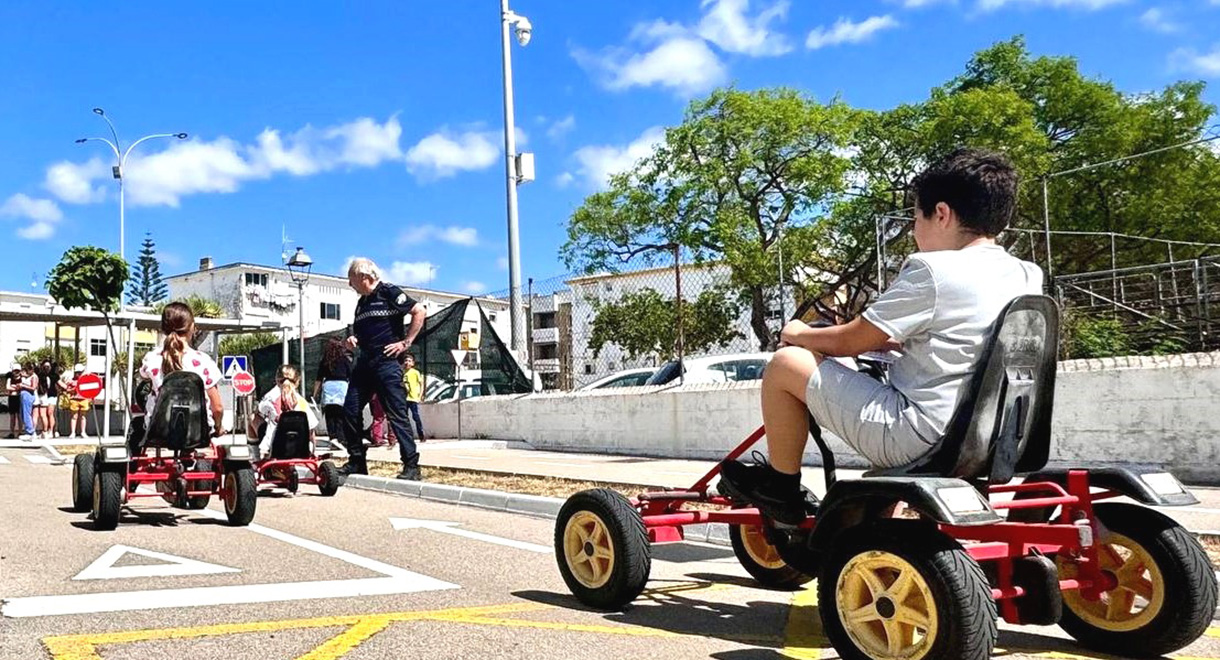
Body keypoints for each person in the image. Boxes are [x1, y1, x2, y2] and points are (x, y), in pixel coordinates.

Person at [718, 148, 1044, 525]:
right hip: (997, 436)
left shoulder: (933, 270)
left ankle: (781, 487)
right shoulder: (1025, 274)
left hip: (923, 436)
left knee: (785, 364)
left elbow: (848, 342)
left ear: (941, 214)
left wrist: (800, 332)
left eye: (915, 218)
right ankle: (878, 512)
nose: (914, 230)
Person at [339, 258, 427, 480]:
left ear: (365, 277)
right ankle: (357, 461)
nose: (351, 285)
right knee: (349, 409)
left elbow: (419, 311)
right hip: (365, 363)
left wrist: (405, 343)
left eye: (352, 280)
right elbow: (360, 333)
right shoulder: (362, 303)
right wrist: (351, 340)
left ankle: (411, 466)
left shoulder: (388, 292)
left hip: (387, 364)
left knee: (397, 413)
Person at [139, 302, 225, 438]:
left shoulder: (151, 359)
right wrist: (218, 427)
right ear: (192, 327)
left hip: (159, 430)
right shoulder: (204, 361)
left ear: (163, 328)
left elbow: (144, 378)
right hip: (197, 431)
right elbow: (218, 407)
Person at [254, 364, 318, 461]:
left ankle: (256, 455)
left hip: (276, 447)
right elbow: (311, 430)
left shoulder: (271, 398)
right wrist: (313, 450)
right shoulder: (302, 402)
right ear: (297, 382)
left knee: (253, 418)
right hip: (301, 448)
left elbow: (260, 410)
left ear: (276, 380)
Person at [312, 337, 352, 452]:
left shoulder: (325, 360)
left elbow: (319, 378)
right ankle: (341, 438)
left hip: (329, 386)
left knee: (330, 414)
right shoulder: (345, 359)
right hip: (342, 386)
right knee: (340, 414)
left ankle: (333, 437)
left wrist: (315, 394)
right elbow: (350, 374)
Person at [403, 354, 426, 442]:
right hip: (405, 399)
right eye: (406, 361)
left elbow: (421, 384)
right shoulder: (402, 372)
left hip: (413, 398)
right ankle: (408, 435)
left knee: (415, 416)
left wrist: (420, 395)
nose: (407, 363)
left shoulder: (415, 372)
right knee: (404, 418)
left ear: (413, 363)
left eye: (409, 361)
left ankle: (421, 435)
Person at [65, 364, 91, 439]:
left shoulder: (86, 380)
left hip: (84, 399)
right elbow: (67, 390)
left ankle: (83, 432)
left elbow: (89, 389)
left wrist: (90, 397)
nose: (78, 374)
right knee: (74, 416)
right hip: (74, 400)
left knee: (83, 416)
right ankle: (73, 432)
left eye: (80, 372)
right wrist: (72, 390)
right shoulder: (71, 381)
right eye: (77, 372)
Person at [15, 363, 38, 440]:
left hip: (28, 396)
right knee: (23, 414)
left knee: (26, 413)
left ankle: (30, 432)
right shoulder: (28, 377)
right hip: (23, 395)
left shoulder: (34, 377)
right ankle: (29, 430)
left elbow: (33, 387)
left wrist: (23, 386)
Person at [5, 362, 21, 439]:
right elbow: (8, 387)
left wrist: (14, 387)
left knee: (19, 416)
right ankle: (12, 432)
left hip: (19, 398)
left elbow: (21, 388)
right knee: (12, 416)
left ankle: (20, 431)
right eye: (15, 371)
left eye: (18, 371)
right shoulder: (9, 379)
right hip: (12, 398)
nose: (16, 372)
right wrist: (16, 388)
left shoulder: (22, 378)